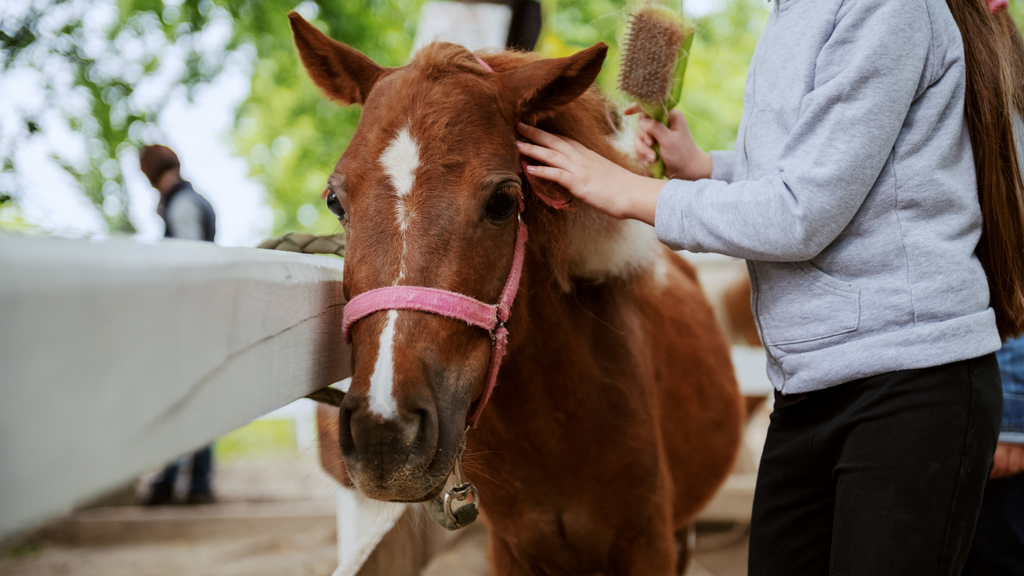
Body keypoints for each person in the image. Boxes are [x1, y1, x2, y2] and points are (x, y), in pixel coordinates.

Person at [515, 0, 1024, 573]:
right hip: (809, 385)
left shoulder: (887, 8)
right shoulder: (792, 14)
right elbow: (817, 174)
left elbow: (802, 215)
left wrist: (626, 191)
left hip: (909, 385)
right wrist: (707, 168)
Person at [138, 144, 217, 505]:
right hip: (200, 316)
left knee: (184, 397)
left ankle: (180, 480)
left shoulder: (182, 205)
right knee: (196, 397)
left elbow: (189, 262)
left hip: (191, 318)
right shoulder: (188, 200)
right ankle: (190, 480)